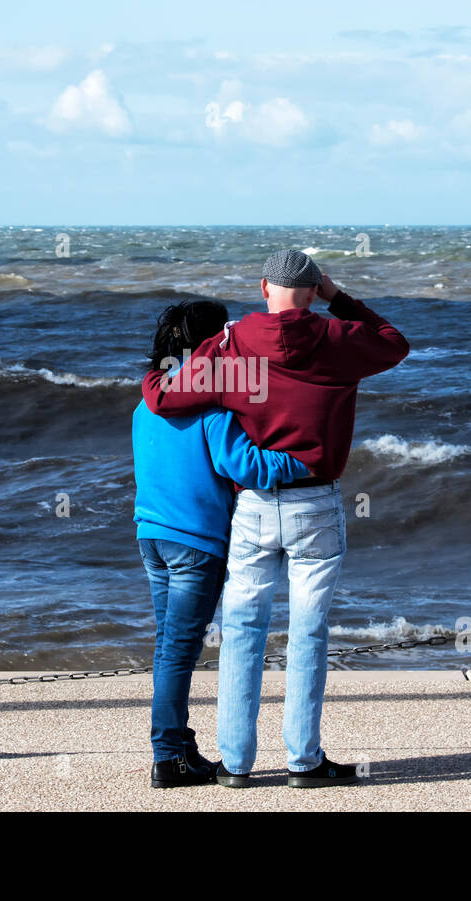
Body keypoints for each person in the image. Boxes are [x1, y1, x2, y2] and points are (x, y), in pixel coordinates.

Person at [142, 250, 409, 788]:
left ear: (264, 287)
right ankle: (303, 763)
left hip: (256, 504)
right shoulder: (338, 342)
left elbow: (164, 398)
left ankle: (236, 765)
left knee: (242, 630)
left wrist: (171, 368)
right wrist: (340, 299)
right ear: (312, 291)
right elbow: (393, 342)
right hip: (316, 502)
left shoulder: (233, 345)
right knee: (308, 632)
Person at [132, 299, 311, 788]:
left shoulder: (146, 403)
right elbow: (245, 465)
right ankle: (168, 756)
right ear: (215, 341)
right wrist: (307, 460)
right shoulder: (208, 404)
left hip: (151, 537)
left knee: (170, 647)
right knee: (178, 651)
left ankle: (178, 748)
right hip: (195, 544)